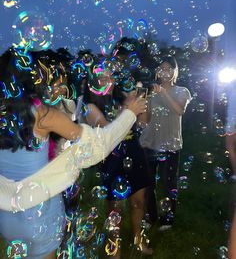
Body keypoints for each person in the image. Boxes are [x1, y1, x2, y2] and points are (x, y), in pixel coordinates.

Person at [0, 47, 146, 259]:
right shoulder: (42, 114)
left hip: (7, 216)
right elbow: (97, 146)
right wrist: (130, 113)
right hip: (40, 212)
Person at [81, 59, 153, 258]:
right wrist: (130, 108)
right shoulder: (90, 107)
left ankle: (138, 240)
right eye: (102, 76)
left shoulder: (121, 99)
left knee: (139, 201)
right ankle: (115, 249)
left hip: (134, 151)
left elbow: (143, 123)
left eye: (110, 76)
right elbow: (108, 132)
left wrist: (140, 101)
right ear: (92, 82)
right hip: (111, 158)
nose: (108, 79)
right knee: (116, 209)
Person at [140, 55, 191, 230]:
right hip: (149, 143)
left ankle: (168, 219)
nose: (165, 71)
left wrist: (163, 93)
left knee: (169, 184)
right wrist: (145, 100)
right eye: (161, 68)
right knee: (148, 184)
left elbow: (179, 110)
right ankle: (150, 216)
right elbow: (145, 120)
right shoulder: (151, 93)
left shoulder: (182, 91)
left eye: (169, 68)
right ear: (157, 72)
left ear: (175, 72)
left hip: (170, 145)